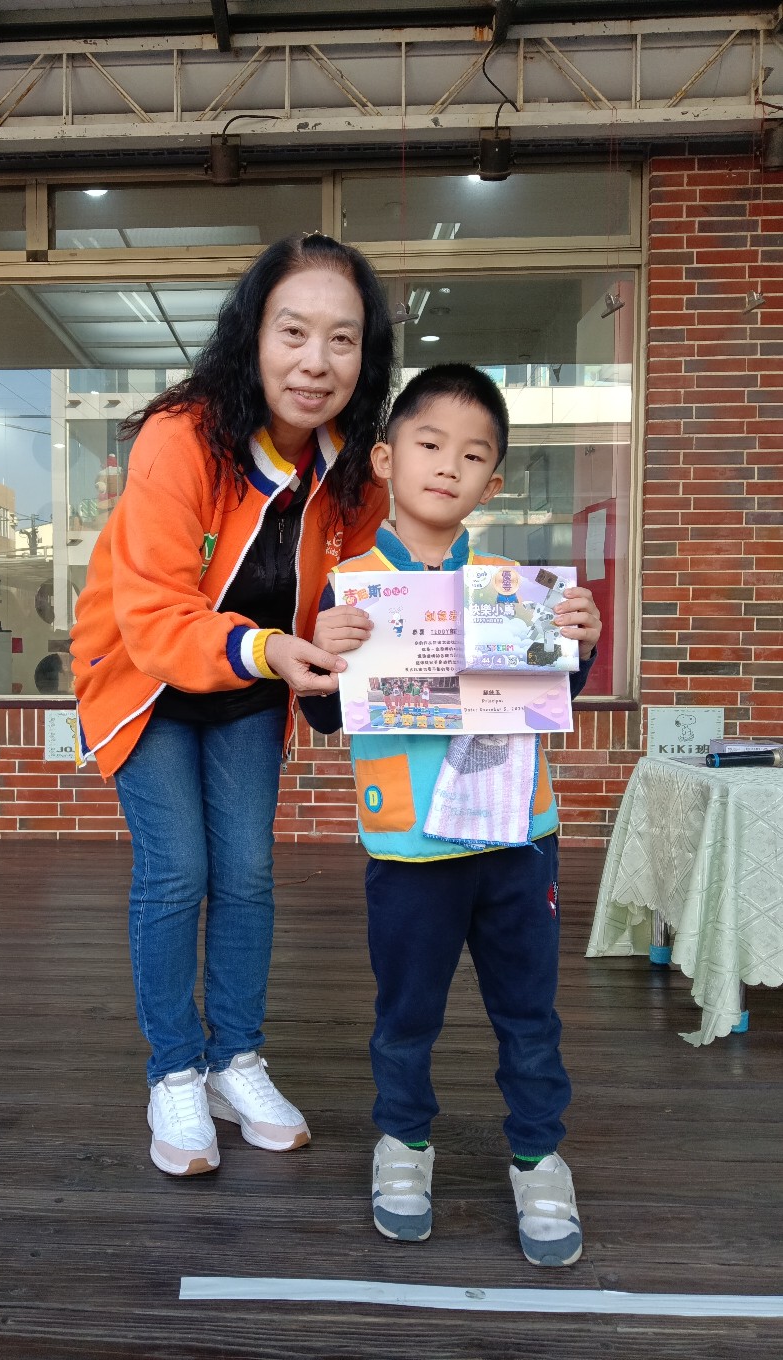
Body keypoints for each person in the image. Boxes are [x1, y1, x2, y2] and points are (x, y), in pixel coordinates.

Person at [70, 233, 394, 1177]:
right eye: (293, 331)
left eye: (342, 339)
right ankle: (175, 1069)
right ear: (252, 336)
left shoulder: (351, 467)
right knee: (178, 871)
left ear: (365, 356)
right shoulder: (182, 437)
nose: (316, 361)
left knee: (247, 873)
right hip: (146, 678)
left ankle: (235, 1062)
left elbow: (370, 580)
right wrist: (271, 647)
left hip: (254, 683)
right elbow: (153, 615)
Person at [300, 364, 602, 1266]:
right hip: (409, 847)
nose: (448, 465)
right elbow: (324, 715)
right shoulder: (350, 587)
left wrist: (579, 644)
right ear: (385, 459)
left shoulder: (514, 585)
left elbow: (555, 695)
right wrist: (323, 656)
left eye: (473, 456)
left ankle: (539, 1156)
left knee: (529, 1013)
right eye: (429, 444)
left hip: (518, 839)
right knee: (406, 1013)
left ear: (493, 484)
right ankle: (404, 1143)